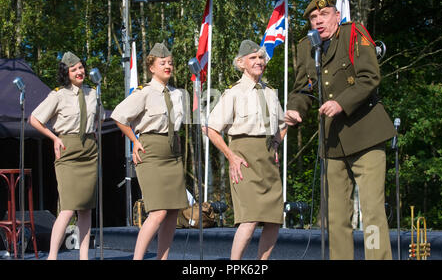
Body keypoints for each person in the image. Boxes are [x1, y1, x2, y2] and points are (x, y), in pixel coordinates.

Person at [285, 0, 396, 260]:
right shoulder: (306, 48)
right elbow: (304, 88)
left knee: (371, 212)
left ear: (337, 16)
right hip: (332, 142)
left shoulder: (353, 34)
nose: (318, 21)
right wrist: (295, 109)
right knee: (334, 217)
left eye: (324, 16)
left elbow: (370, 77)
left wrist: (341, 104)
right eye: (313, 18)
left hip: (366, 134)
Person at [204, 40, 287, 260]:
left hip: (268, 158)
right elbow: (211, 129)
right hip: (243, 157)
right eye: (253, 58)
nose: (259, 61)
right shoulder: (233, 93)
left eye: (261, 57)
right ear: (241, 63)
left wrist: (276, 145)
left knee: (273, 219)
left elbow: (282, 124)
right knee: (249, 219)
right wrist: (231, 157)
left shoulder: (270, 91)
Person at [111, 43, 188, 260]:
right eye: (162, 63)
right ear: (152, 67)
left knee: (173, 211)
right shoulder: (144, 92)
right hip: (151, 151)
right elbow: (119, 116)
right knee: (158, 212)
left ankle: (162, 257)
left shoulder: (178, 94)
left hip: (173, 152)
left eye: (170, 63)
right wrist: (134, 141)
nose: (168, 66)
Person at [29, 52, 104, 260]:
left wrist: (94, 132)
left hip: (89, 151)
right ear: (67, 73)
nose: (80, 72)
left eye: (81, 68)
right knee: (69, 207)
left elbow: (99, 117)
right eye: (74, 69)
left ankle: (84, 256)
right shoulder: (58, 95)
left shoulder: (92, 93)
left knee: (87, 208)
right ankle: (52, 256)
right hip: (67, 150)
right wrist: (54, 138)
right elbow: (34, 119)